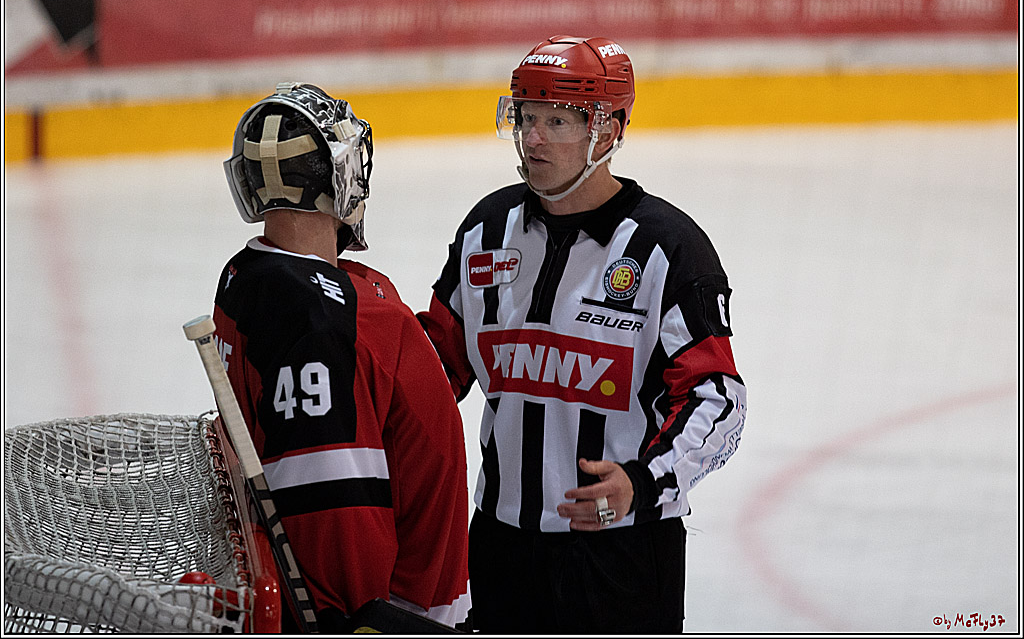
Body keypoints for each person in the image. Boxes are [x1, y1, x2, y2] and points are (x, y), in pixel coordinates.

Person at [418, 36, 747, 634]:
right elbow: (433, 367)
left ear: (610, 129)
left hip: (621, 555)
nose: (534, 138)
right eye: (526, 117)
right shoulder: (487, 230)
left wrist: (643, 484)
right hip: (500, 548)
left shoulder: (667, 249)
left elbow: (718, 401)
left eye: (558, 121)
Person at [212, 82, 472, 632]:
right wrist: (362, 619)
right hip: (389, 614)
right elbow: (330, 497)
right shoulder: (311, 317)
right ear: (334, 178)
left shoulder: (299, 284)